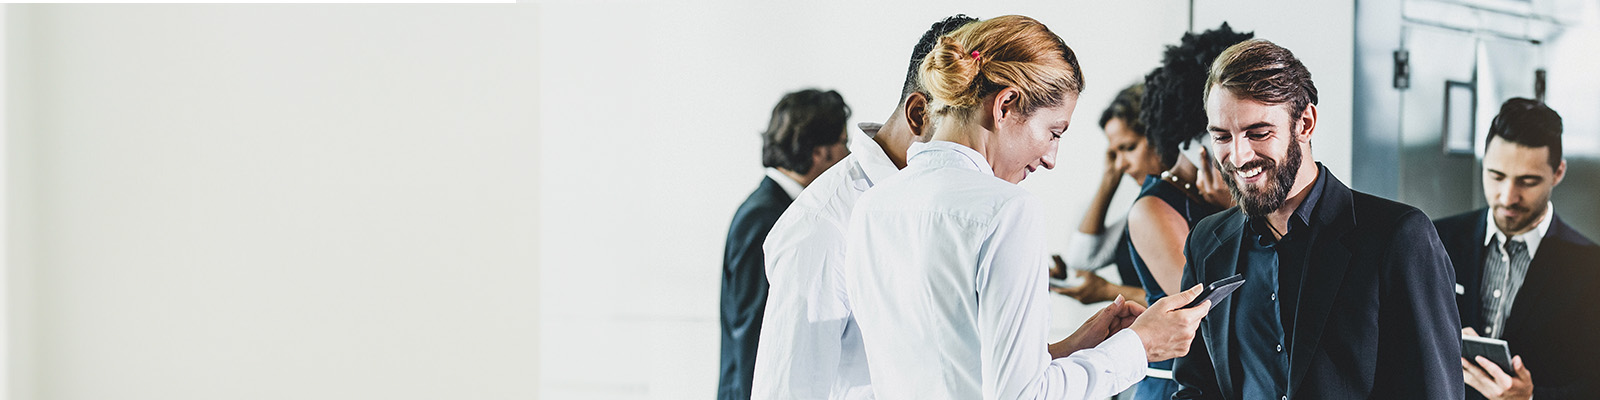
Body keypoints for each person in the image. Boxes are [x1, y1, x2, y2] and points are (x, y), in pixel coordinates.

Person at [843, 15, 1210, 400]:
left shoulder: (871, 206)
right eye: (1054, 133)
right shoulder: (1006, 210)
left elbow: (957, 367)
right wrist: (1139, 346)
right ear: (1005, 105)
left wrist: (1079, 346)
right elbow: (1024, 396)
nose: (1051, 159)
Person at [1171, 39, 1463, 399]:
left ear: (1305, 123)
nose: (1238, 155)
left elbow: (1434, 391)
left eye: (1258, 133)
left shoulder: (1398, 236)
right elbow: (1196, 385)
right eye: (1222, 137)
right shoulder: (1207, 240)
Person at [751, 15, 976, 400]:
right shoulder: (823, 225)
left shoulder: (944, 209)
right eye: (974, 136)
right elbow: (788, 390)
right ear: (919, 115)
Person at [1115, 25, 1253, 400]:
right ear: (1193, 135)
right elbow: (1204, 310)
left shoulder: (1228, 195)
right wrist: (1235, 212)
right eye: (1221, 131)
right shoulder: (1153, 208)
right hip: (1174, 386)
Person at [1433, 98, 1600, 400]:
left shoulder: (1590, 267)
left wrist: (1531, 398)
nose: (1508, 197)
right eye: (1496, 176)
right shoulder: (1435, 238)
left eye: (1528, 181)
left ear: (1558, 173)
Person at [720, 89, 850, 400]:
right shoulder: (764, 218)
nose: (848, 156)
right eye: (844, 143)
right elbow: (752, 332)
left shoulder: (772, 209)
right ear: (819, 152)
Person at [1049, 83, 1152, 307]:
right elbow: (1083, 259)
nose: (1122, 164)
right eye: (1115, 153)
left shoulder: (1186, 204)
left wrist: (1108, 291)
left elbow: (1188, 299)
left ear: (1157, 137)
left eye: (1129, 147)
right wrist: (1108, 180)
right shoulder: (1143, 206)